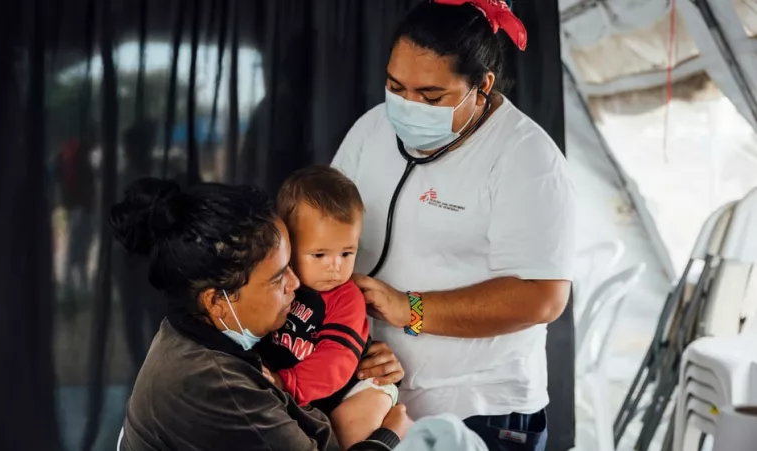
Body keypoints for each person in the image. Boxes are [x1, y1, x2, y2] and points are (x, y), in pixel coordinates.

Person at [331, 1, 575, 450]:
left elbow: (543, 297)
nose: (406, 107)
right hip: (375, 395)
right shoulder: (370, 131)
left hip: (481, 409)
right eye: (395, 86)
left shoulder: (527, 159)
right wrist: (344, 338)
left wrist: (410, 309)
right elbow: (323, 229)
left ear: (481, 87)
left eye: (431, 97)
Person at [110, 177, 413, 451]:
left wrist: (362, 360)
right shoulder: (220, 388)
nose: (295, 284)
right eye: (279, 277)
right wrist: (388, 434)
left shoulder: (190, 330)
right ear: (217, 301)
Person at [257, 166, 400, 449]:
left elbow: (337, 360)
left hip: (355, 388)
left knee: (345, 429)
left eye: (347, 253)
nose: (335, 267)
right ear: (287, 243)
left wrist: (288, 384)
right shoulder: (275, 285)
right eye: (319, 254)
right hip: (302, 390)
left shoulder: (346, 298)